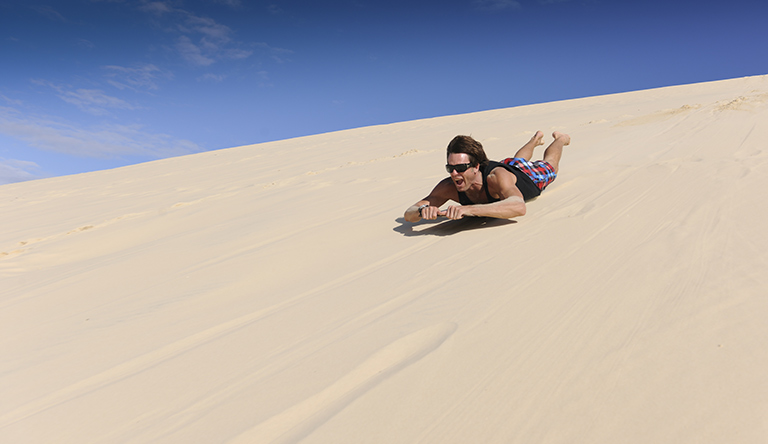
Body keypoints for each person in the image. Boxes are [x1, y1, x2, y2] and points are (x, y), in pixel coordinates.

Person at [404, 131, 570, 222]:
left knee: (550, 165)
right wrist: (422, 210)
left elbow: (518, 207)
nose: (454, 174)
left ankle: (560, 139)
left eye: (461, 168)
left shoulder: (495, 177)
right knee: (516, 160)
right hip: (509, 166)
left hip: (529, 177)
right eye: (450, 168)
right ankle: (534, 140)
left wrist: (468, 209)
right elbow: (408, 213)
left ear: (476, 166)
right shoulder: (448, 186)